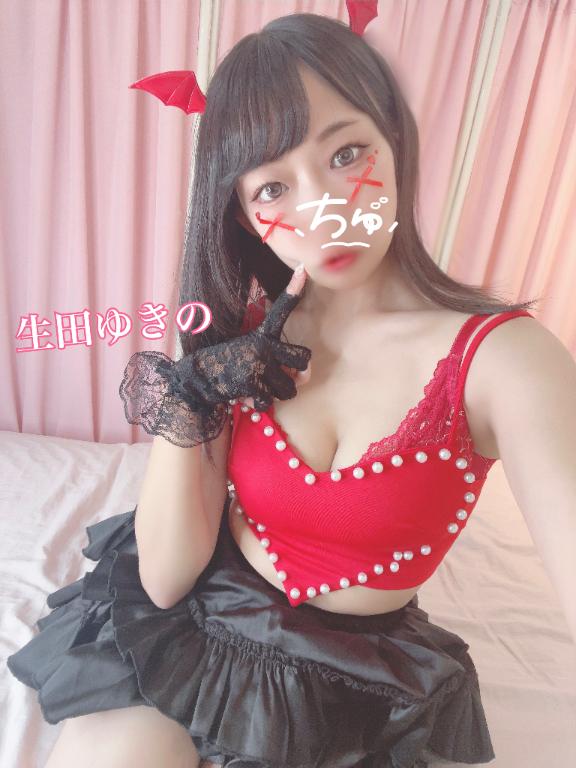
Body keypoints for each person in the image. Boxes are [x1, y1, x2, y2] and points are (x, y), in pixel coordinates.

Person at [7, 12, 541, 768]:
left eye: (346, 153)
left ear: (396, 139)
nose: (323, 208)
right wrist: (197, 388)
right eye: (273, 186)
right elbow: (165, 578)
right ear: (243, 213)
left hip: (350, 679)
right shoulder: (243, 334)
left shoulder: (501, 359)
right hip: (201, 619)